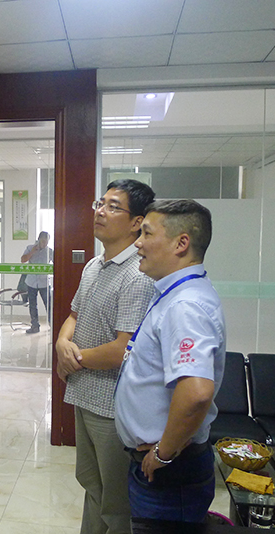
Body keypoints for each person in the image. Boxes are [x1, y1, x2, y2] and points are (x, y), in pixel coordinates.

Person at [113, 199, 226, 526]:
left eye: (147, 234)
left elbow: (196, 393)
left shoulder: (185, 306)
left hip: (170, 470)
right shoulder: (175, 293)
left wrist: (163, 454)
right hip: (163, 463)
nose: (138, 243)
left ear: (181, 243)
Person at [56, 179, 155, 534]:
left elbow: (122, 349)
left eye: (114, 207)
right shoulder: (94, 265)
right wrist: (61, 343)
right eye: (100, 203)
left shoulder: (138, 275)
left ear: (136, 222)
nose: (100, 211)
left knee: (115, 501)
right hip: (84, 394)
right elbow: (74, 315)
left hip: (113, 406)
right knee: (91, 484)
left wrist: (73, 359)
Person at [20, 231, 53, 334]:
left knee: (49, 305)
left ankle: (52, 325)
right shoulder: (30, 248)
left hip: (44, 282)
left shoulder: (50, 251)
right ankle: (35, 326)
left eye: (46, 241)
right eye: (43, 241)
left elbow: (57, 263)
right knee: (32, 305)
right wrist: (32, 252)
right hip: (31, 282)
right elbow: (23, 260)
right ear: (38, 240)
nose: (45, 244)